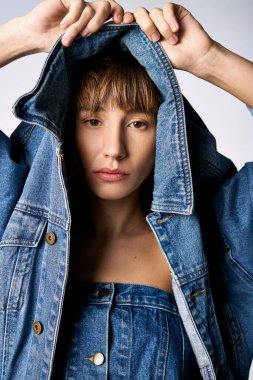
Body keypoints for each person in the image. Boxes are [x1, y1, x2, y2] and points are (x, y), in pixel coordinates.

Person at [0, 1, 253, 379]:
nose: (114, 148)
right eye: (93, 120)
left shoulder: (219, 237)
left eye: (137, 123)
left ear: (166, 134)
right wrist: (19, 37)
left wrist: (209, 58)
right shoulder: (13, 215)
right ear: (66, 127)